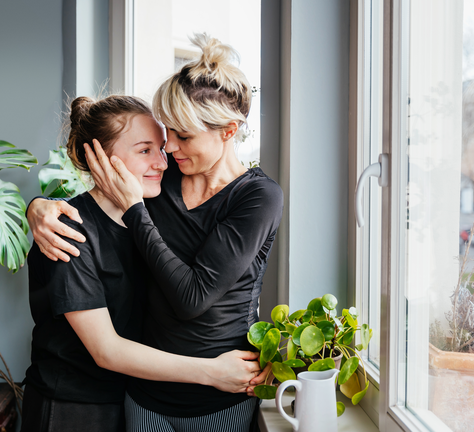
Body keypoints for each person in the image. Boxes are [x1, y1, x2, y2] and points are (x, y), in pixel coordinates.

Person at [28, 34, 283, 432]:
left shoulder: (248, 195)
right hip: (112, 396)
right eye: (161, 142)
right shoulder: (132, 198)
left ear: (229, 131)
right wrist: (38, 208)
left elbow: (196, 295)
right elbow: (108, 348)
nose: (169, 156)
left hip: (201, 394)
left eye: (180, 139)